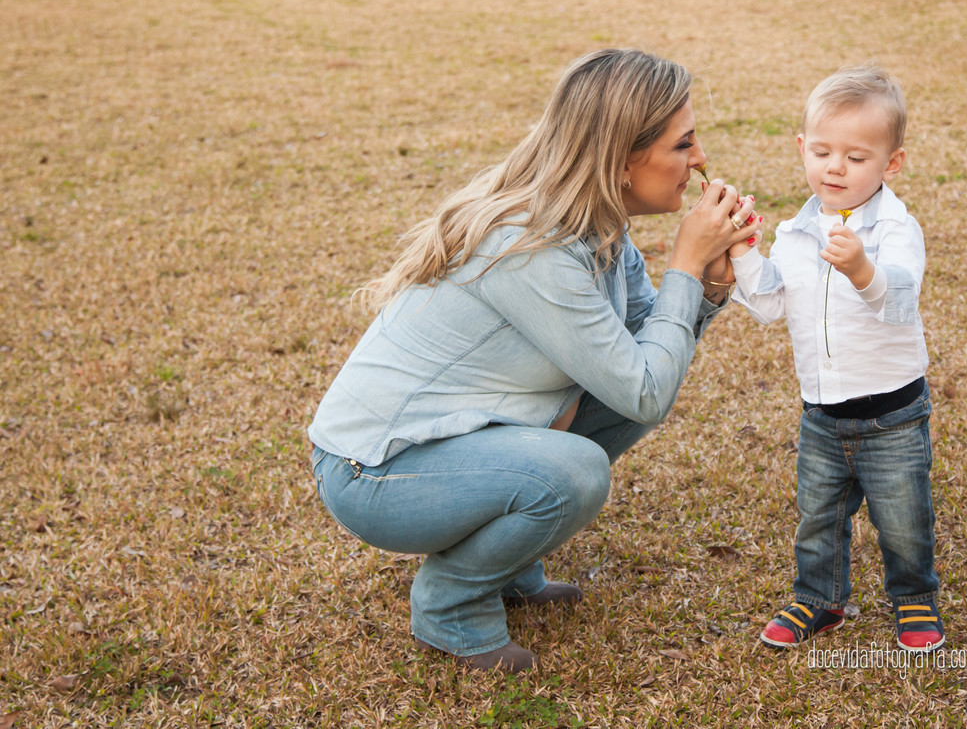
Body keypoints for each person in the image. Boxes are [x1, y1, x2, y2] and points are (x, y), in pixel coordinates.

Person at [307, 48, 760, 672]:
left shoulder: (602, 225)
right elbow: (647, 385)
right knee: (574, 469)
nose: (700, 159)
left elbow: (639, 361)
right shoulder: (533, 248)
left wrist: (706, 289)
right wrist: (683, 265)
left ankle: (509, 565)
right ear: (622, 157)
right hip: (373, 473)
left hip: (449, 443)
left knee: (621, 405)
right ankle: (450, 604)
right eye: (684, 144)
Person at [727, 64, 944, 652]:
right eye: (822, 152)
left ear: (890, 163)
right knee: (818, 516)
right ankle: (819, 600)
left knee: (902, 518)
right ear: (803, 148)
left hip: (892, 414)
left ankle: (914, 596)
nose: (835, 168)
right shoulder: (797, 232)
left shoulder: (895, 229)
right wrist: (744, 251)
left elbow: (898, 297)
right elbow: (771, 303)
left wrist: (861, 269)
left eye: (856, 156)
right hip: (821, 413)